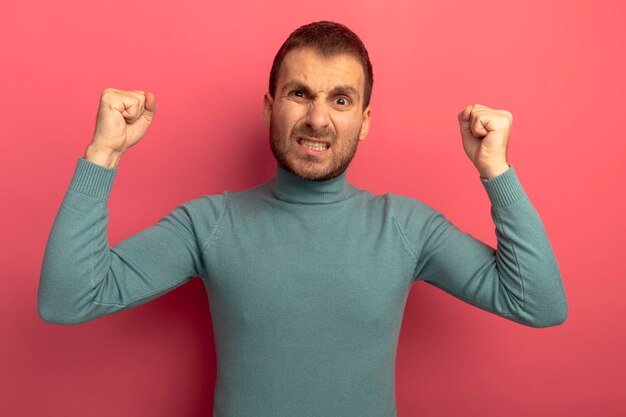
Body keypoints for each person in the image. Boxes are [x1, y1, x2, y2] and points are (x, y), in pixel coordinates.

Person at [38, 20, 567, 417]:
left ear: (363, 123)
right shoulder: (209, 224)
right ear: (270, 108)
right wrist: (103, 153)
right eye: (299, 94)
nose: (317, 118)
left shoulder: (406, 227)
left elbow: (538, 304)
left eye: (340, 100)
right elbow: (67, 300)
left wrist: (494, 168)